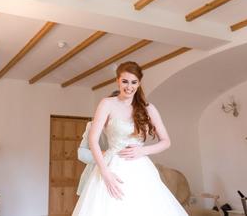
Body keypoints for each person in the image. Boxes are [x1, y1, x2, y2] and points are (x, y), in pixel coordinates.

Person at [72, 61, 187, 216]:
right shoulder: (107, 103)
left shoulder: (148, 108)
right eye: (125, 81)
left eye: (134, 82)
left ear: (139, 83)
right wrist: (105, 173)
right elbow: (93, 140)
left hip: (141, 168)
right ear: (118, 81)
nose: (129, 86)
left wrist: (143, 150)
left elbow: (166, 141)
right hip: (113, 167)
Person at [77, 90, 119, 196]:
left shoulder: (128, 128)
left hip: (119, 176)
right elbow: (81, 153)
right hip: (94, 178)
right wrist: (105, 153)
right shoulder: (92, 126)